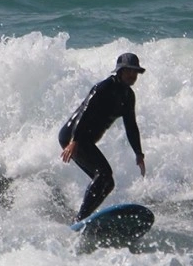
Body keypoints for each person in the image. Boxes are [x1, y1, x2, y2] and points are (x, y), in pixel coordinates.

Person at [59, 53, 147, 223]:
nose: (133, 75)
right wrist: (74, 141)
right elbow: (83, 115)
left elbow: (131, 126)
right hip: (73, 136)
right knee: (104, 174)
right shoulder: (103, 88)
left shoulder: (128, 96)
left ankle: (84, 217)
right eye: (129, 71)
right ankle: (81, 218)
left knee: (108, 182)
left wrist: (139, 153)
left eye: (135, 72)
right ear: (120, 71)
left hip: (85, 141)